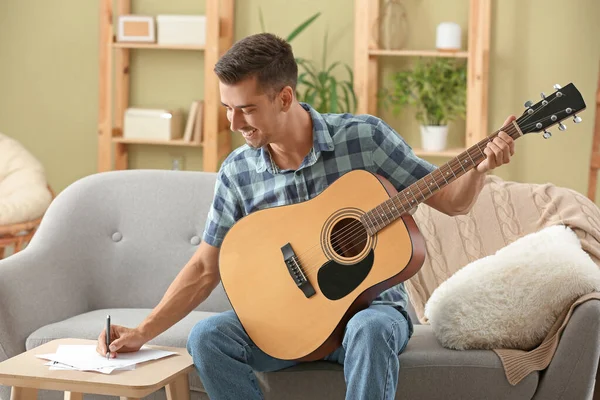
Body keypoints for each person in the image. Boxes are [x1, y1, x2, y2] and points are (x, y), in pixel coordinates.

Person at [96, 32, 515, 399]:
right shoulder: (238, 172)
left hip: (370, 310)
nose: (233, 122)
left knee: (370, 331)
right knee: (207, 337)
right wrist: (141, 332)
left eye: (246, 109)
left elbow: (450, 201)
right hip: (288, 323)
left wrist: (479, 170)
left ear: (285, 97)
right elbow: (205, 268)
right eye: (227, 107)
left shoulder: (364, 138)